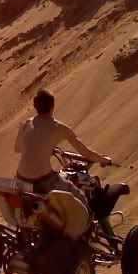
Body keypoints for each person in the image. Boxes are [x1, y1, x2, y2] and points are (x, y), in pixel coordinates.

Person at [15, 88, 113, 217]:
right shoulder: (59, 127)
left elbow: (17, 149)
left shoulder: (25, 124)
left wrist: (40, 147)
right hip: (44, 182)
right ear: (52, 106)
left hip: (21, 180)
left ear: (34, 106)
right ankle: (85, 230)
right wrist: (104, 160)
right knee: (79, 196)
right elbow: (86, 153)